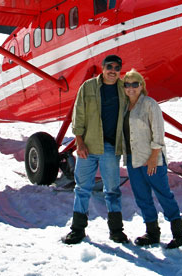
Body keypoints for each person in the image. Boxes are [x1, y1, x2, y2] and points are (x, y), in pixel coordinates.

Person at [62, 54, 129, 245]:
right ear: (103, 68)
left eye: (117, 67)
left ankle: (116, 231)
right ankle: (77, 230)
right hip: (88, 146)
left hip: (111, 148)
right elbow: (79, 115)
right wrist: (79, 142)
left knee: (112, 190)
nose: (113, 71)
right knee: (82, 188)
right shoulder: (88, 87)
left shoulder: (124, 89)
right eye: (109, 67)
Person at [122, 68, 182, 249]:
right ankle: (152, 233)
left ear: (141, 86)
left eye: (135, 84)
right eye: (127, 85)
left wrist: (154, 156)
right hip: (132, 159)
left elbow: (158, 132)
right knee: (142, 197)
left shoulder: (150, 104)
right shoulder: (124, 107)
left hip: (151, 159)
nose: (131, 88)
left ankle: (179, 234)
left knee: (164, 194)